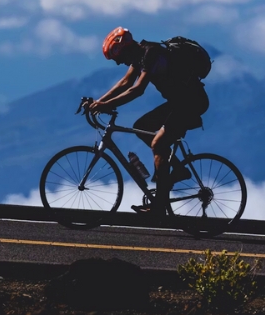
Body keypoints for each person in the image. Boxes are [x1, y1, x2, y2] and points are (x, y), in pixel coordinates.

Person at [89, 27, 209, 213]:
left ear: (126, 49)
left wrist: (105, 105)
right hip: (179, 102)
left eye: (119, 58)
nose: (119, 63)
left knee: (158, 144)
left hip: (191, 102)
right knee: (141, 127)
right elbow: (125, 82)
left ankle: (159, 206)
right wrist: (98, 102)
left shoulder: (151, 53)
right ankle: (178, 169)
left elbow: (137, 89)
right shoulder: (140, 55)